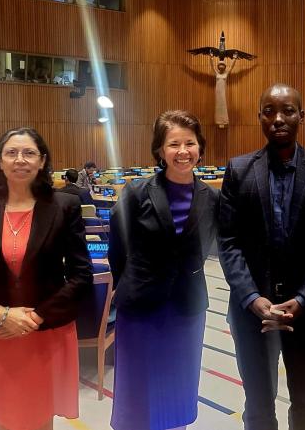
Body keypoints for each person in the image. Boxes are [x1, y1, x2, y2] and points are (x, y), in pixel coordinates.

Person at [0, 127, 93, 430]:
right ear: (0, 161)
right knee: (6, 416)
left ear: (42, 161)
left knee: (38, 417)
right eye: (11, 152)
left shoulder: (64, 206)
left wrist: (34, 317)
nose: (20, 159)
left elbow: (81, 275)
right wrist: (2, 315)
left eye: (29, 153)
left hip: (45, 331)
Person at [219, 83, 305, 430]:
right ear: (259, 116)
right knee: (258, 405)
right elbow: (228, 242)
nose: (278, 119)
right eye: (269, 111)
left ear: (301, 116)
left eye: (287, 110)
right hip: (252, 312)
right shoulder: (239, 170)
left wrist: (303, 297)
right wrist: (251, 297)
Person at [109, 110, 219, 430]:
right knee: (138, 390)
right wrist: (128, 282)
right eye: (174, 144)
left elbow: (209, 245)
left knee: (177, 388)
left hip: (186, 308)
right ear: (160, 149)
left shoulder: (212, 198)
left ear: (200, 147)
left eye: (190, 143)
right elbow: (118, 244)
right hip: (141, 306)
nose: (182, 151)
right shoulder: (136, 192)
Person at [210, 53, 237, 127]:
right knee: (218, 105)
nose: (221, 66)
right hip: (218, 91)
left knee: (223, 105)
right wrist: (211, 58)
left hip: (223, 92)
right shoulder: (216, 73)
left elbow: (231, 67)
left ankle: (224, 120)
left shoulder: (226, 74)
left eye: (223, 65)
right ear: (218, 67)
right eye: (220, 65)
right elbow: (212, 66)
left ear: (224, 67)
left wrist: (234, 59)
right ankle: (218, 120)